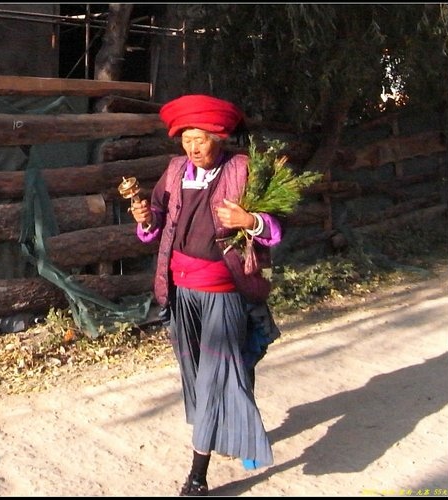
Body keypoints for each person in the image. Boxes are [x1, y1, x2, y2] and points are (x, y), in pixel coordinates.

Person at [130, 94, 283, 496]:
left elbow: (279, 225)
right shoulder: (176, 170)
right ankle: (241, 429)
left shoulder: (242, 169)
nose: (193, 148)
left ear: (220, 136)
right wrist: (146, 218)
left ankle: (197, 474)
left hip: (223, 291)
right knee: (200, 374)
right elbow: (159, 222)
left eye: (201, 139)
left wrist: (251, 220)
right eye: (186, 139)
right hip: (181, 292)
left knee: (218, 375)